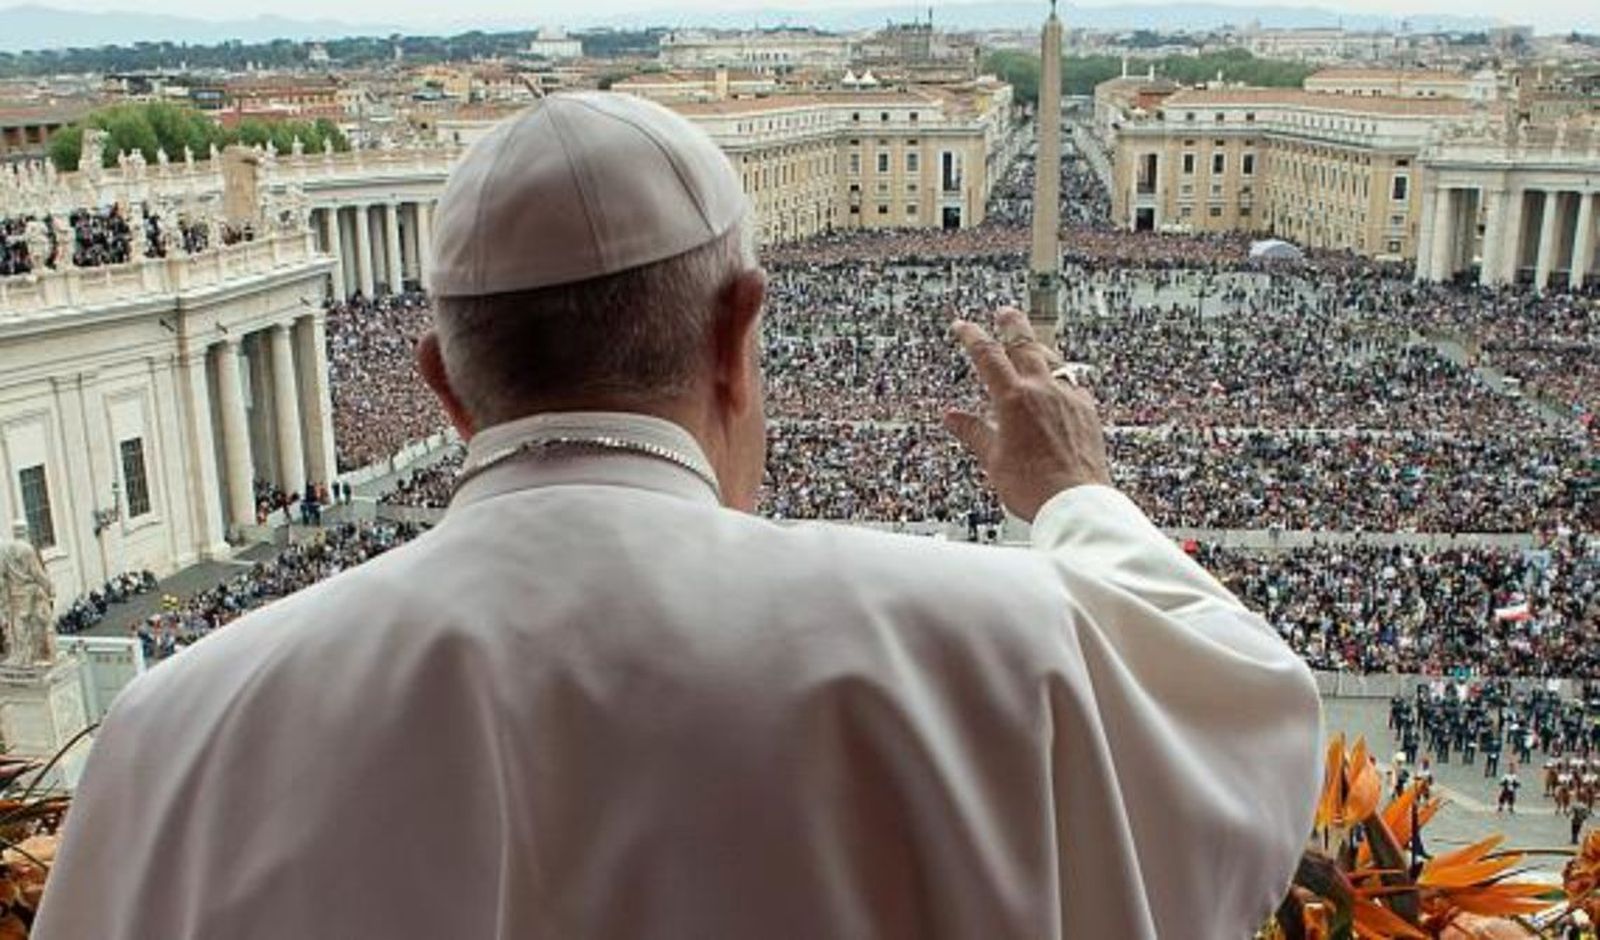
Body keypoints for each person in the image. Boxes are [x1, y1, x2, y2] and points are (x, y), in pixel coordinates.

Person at [35, 92, 1322, 939]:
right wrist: (1075, 494)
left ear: (443, 387)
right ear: (738, 337)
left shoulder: (173, 733)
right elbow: (1252, 715)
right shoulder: (997, 645)